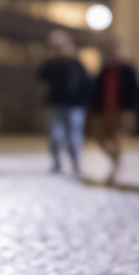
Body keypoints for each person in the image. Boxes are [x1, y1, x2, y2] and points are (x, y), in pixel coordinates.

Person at [36, 30, 90, 177]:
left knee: (74, 136)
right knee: (56, 136)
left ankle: (75, 164)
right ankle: (56, 163)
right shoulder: (50, 64)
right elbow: (40, 76)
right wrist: (50, 59)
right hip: (54, 105)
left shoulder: (75, 63)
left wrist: (84, 102)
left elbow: (85, 84)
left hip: (74, 106)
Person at [89, 43, 139, 184]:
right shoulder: (105, 70)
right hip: (104, 110)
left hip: (121, 110)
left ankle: (115, 169)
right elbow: (97, 90)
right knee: (100, 138)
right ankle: (116, 163)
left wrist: (131, 110)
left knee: (116, 139)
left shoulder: (128, 69)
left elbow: (134, 91)